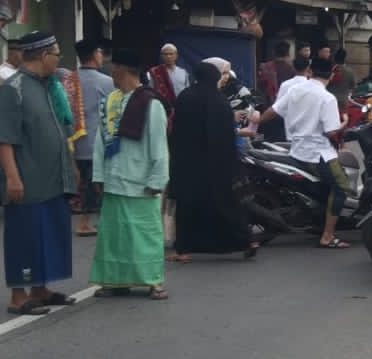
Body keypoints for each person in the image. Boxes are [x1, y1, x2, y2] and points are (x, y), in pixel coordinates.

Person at [0, 31, 78, 316]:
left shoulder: (49, 88)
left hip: (53, 179)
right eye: (56, 54)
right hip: (27, 179)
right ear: (43, 55)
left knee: (50, 234)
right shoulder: (11, 90)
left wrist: (72, 166)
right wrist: (13, 177)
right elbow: (4, 138)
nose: (58, 59)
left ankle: (40, 289)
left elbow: (61, 131)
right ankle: (19, 295)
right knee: (24, 236)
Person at [88, 46, 170, 300]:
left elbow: (159, 145)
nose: (110, 71)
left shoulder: (151, 103)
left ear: (122, 69)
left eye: (113, 67)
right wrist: (98, 175)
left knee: (144, 233)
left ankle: (153, 281)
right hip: (113, 179)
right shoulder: (109, 101)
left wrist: (158, 179)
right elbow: (100, 143)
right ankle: (115, 280)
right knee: (114, 235)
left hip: (140, 181)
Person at [169, 60, 258, 262]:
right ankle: (247, 239)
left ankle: (183, 250)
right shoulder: (219, 101)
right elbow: (225, 134)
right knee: (225, 204)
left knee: (188, 207)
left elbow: (177, 131)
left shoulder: (185, 97)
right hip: (218, 163)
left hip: (189, 163)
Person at [259, 56, 349, 249]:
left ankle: (320, 221)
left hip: (297, 150)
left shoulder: (294, 90)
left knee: (328, 186)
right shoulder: (327, 98)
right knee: (341, 187)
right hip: (318, 153)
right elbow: (332, 131)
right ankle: (328, 235)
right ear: (331, 75)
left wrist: (256, 122)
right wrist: (345, 122)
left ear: (311, 71)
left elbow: (273, 111)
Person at [73, 39, 114, 238]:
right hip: (94, 140)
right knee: (94, 182)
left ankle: (88, 219)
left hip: (73, 140)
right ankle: (84, 223)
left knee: (82, 180)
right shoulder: (105, 82)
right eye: (100, 52)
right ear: (94, 54)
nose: (102, 56)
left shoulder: (69, 79)